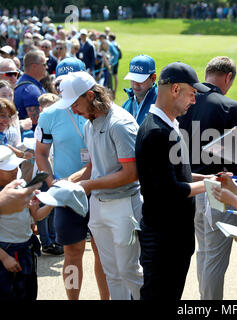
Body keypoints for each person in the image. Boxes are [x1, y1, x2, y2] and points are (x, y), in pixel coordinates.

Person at [51, 71, 143, 300]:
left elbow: (131, 174)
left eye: (75, 104)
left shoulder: (120, 123)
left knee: (129, 271)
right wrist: (69, 182)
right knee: (112, 273)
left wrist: (88, 185)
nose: (73, 110)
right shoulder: (89, 124)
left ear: (91, 95)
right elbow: (95, 163)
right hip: (99, 205)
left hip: (124, 206)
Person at [135, 62, 212, 300]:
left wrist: (209, 177)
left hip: (172, 238)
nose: (194, 100)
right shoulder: (158, 132)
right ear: (175, 89)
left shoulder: (168, 126)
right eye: (192, 94)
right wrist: (213, 186)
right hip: (165, 241)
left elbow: (179, 174)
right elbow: (169, 190)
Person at [35, 58, 110, 300]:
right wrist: (54, 186)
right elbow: (41, 153)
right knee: (73, 252)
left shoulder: (99, 109)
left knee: (103, 252)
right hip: (68, 194)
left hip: (100, 189)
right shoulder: (49, 115)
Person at [178, 56, 237, 300]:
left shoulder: (182, 101)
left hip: (189, 187)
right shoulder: (231, 106)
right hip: (219, 189)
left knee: (204, 252)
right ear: (228, 77)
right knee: (216, 257)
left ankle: (204, 299)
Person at [0, 145, 52, 300]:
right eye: (9, 168)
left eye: (16, 166)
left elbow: (36, 215)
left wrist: (52, 202)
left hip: (26, 249)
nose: (15, 170)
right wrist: (3, 257)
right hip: (6, 251)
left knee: (28, 294)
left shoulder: (21, 185)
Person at [14, 50, 46, 127]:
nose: (47, 67)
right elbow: (37, 123)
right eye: (44, 64)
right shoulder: (31, 90)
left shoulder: (26, 84)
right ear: (34, 66)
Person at [122, 55, 158, 126]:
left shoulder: (162, 104)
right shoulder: (125, 105)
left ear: (153, 78)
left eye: (140, 80)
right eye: (133, 79)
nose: (135, 85)